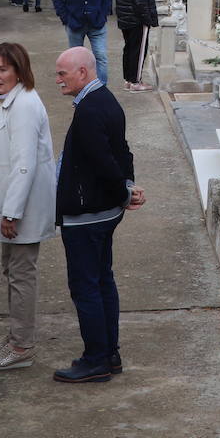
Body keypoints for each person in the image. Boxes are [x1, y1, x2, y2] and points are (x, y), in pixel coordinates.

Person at [51, 47, 145, 384]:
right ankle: (109, 353)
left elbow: (105, 160)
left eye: (63, 73)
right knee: (103, 281)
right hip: (103, 212)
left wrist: (123, 191)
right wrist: (128, 188)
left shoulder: (90, 110)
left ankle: (95, 360)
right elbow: (123, 151)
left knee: (86, 286)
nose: (58, 79)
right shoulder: (105, 100)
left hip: (87, 215)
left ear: (82, 72)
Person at [0, 43, 58, 371]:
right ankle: (16, 334)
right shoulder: (4, 98)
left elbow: (24, 163)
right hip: (9, 201)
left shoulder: (24, 105)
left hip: (21, 205)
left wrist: (12, 213)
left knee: (21, 274)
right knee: (12, 270)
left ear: (19, 70)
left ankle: (21, 345)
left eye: (2, 69)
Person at [113, 0, 158, 93]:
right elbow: (140, 2)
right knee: (138, 52)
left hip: (126, 20)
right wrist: (148, 20)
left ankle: (128, 79)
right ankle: (135, 81)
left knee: (130, 50)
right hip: (137, 21)